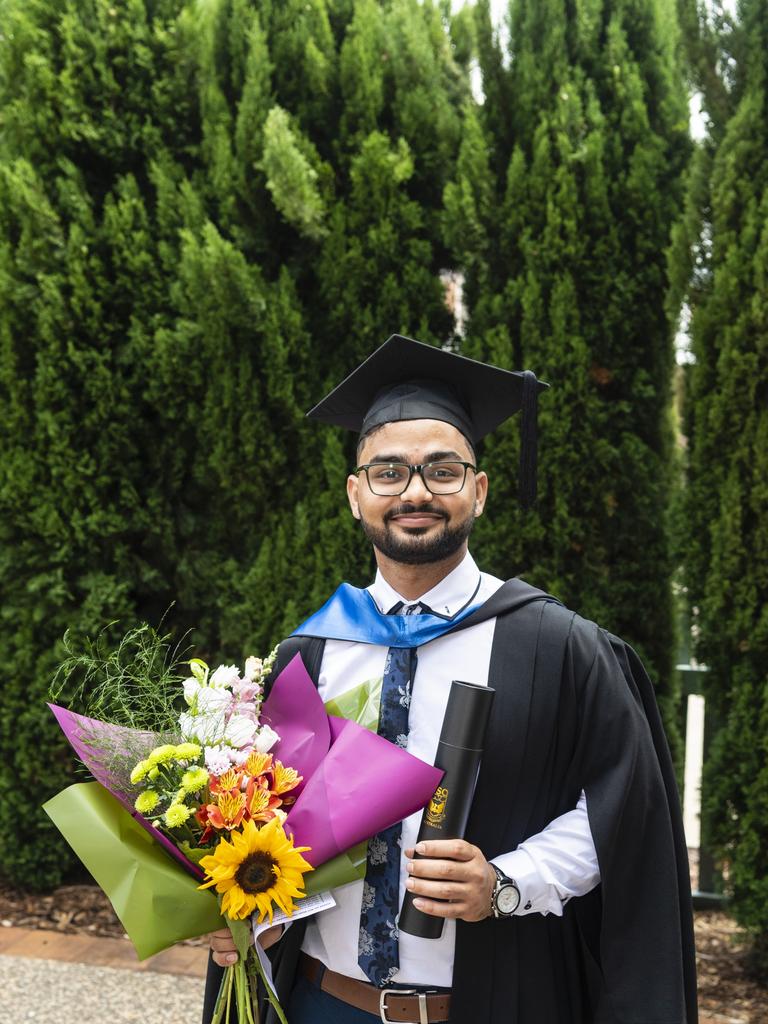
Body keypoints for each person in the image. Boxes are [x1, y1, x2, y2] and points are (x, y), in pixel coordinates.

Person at [204, 335, 697, 1024]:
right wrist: (247, 910)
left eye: (443, 470)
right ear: (355, 494)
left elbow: (624, 813)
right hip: (319, 1002)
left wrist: (507, 883)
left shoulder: (560, 649)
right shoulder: (308, 653)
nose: (415, 492)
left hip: (494, 1004)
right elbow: (270, 826)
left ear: (478, 489)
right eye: (388, 472)